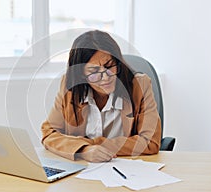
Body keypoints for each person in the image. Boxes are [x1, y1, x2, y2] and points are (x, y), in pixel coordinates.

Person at [41, 30, 161, 162]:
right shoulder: (70, 88)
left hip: (126, 168)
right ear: (81, 74)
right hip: (82, 171)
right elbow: (49, 133)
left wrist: (96, 145)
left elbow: (150, 142)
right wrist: (84, 150)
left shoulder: (140, 85)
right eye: (94, 72)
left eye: (109, 66)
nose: (106, 77)